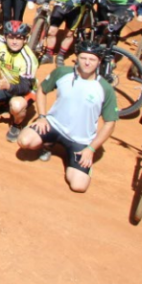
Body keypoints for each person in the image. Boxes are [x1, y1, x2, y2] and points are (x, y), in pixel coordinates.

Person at [16, 43, 118, 193]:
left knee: (78, 186)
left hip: (81, 140)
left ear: (99, 62)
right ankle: (48, 143)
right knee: (24, 141)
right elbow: (42, 91)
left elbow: (110, 123)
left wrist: (91, 149)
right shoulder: (62, 73)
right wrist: (42, 116)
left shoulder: (105, 89)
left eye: (92, 59)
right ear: (77, 58)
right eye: (83, 58)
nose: (87, 62)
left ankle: (74, 159)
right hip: (53, 125)